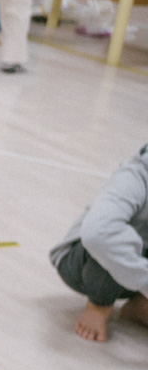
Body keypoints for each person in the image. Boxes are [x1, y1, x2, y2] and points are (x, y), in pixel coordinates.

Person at [53, 142, 148, 342]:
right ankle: (98, 306)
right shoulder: (133, 177)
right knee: (112, 243)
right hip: (84, 263)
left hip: (136, 269)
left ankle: (139, 305)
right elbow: (98, 235)